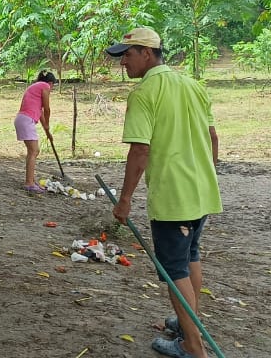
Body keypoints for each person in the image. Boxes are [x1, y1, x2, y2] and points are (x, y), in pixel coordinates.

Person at [106, 27, 221, 358]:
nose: (123, 62)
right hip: (202, 191)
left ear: (147, 53)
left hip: (174, 198)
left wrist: (125, 199)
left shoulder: (144, 93)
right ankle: (189, 323)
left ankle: (192, 347)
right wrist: (207, 174)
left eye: (127, 54)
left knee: (174, 269)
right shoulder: (192, 85)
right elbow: (213, 137)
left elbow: (140, 150)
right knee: (190, 256)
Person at [15, 70, 56, 192]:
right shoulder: (45, 86)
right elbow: (47, 109)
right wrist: (48, 124)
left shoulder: (35, 87)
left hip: (22, 119)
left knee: (32, 151)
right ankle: (29, 183)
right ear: (50, 83)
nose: (51, 89)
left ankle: (31, 181)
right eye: (53, 86)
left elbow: (41, 112)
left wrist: (47, 131)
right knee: (34, 151)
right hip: (26, 120)